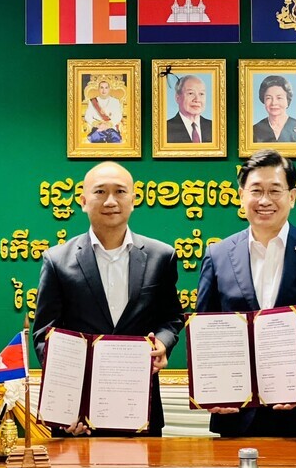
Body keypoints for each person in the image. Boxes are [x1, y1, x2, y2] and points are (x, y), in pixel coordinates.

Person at [196, 149, 296, 437]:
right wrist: (213, 387)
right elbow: (205, 330)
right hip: (236, 414)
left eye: (275, 190)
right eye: (256, 190)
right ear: (241, 196)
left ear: (292, 197)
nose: (265, 200)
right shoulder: (217, 255)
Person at [32, 161, 183, 437]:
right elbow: (44, 335)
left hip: (141, 408)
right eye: (100, 192)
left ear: (134, 200)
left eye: (120, 192)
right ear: (83, 201)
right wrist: (66, 400)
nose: (111, 201)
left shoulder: (161, 256)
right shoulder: (57, 260)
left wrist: (162, 343)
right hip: (77, 414)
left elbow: (171, 318)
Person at [166, 75, 213, 143]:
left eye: (201, 94)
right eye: (191, 93)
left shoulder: (214, 127)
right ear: (177, 98)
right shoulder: (165, 129)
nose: (197, 99)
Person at [253, 75, 296, 143]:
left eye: (279, 98)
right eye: (268, 98)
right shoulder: (254, 130)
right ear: (263, 100)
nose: (274, 103)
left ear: (287, 100)